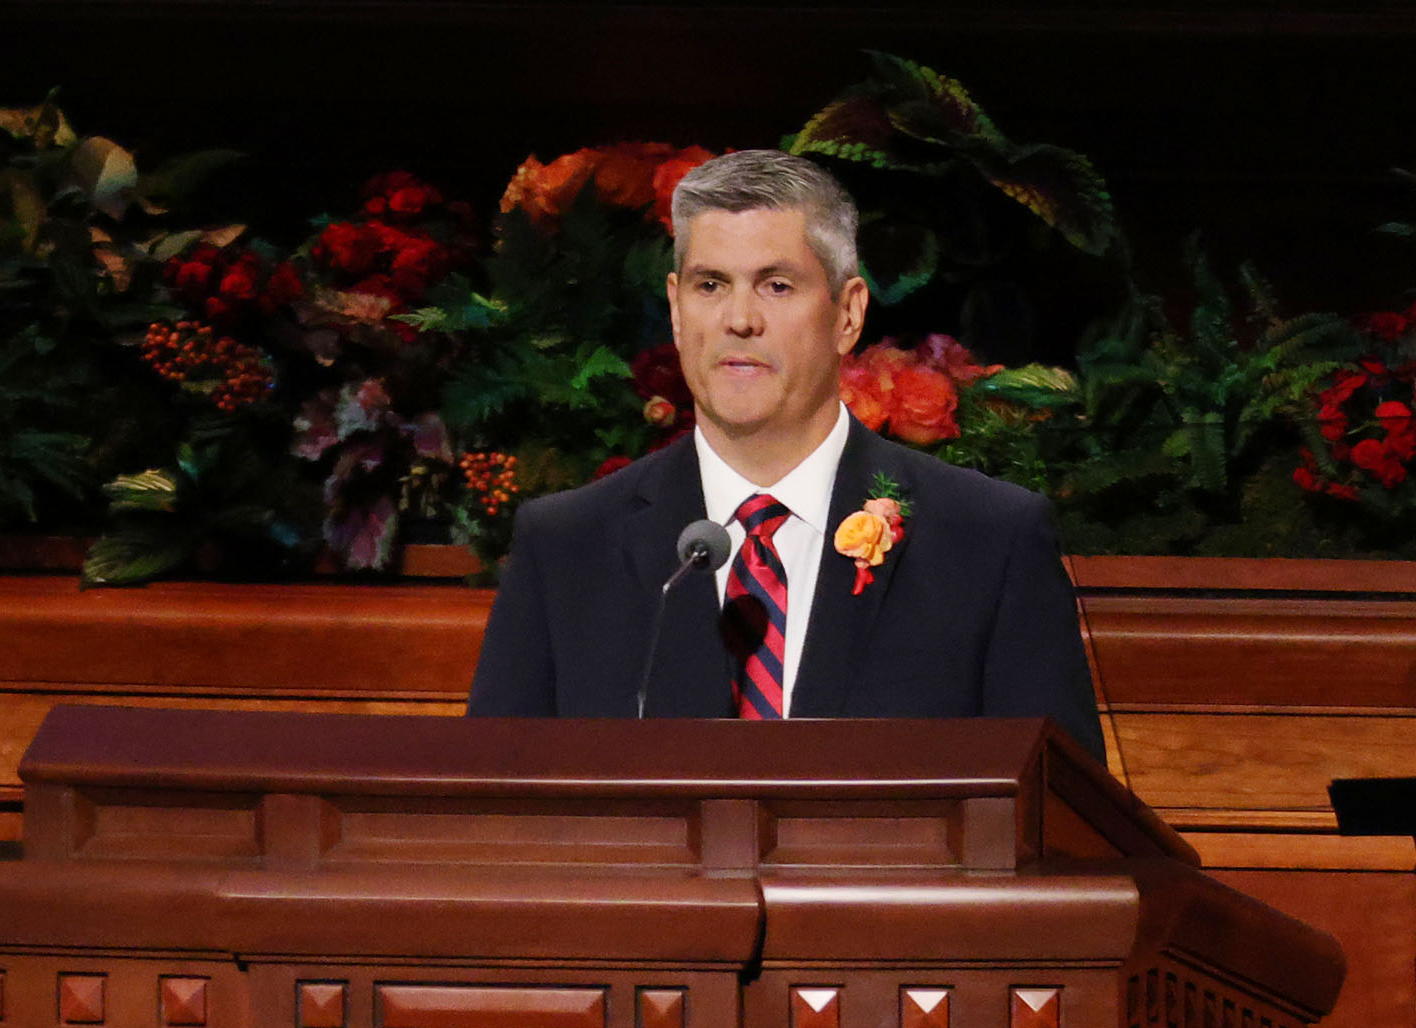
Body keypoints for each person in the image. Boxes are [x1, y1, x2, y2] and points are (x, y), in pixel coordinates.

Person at [467, 149, 1103, 759]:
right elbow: (491, 820)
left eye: (776, 285)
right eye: (710, 285)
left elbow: (1063, 833)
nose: (739, 319)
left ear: (848, 315)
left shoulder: (988, 543)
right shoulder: (567, 548)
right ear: (677, 310)